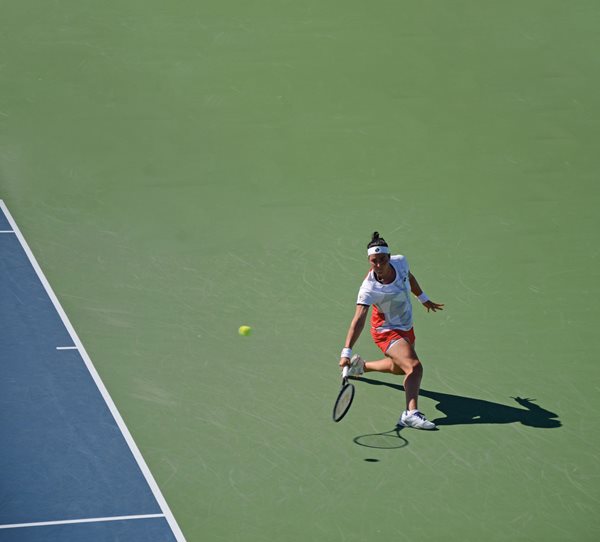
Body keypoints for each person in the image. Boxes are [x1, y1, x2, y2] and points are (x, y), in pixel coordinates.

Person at [339, 232, 444, 430]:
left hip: (406, 325)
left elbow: (409, 277)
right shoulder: (368, 288)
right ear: (369, 261)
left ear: (389, 257)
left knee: (399, 369)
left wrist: (423, 298)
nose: (379, 265)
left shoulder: (401, 262)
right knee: (414, 367)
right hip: (386, 331)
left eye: (382, 260)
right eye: (374, 261)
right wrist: (346, 351)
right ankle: (410, 413)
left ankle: (361, 367)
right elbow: (359, 320)